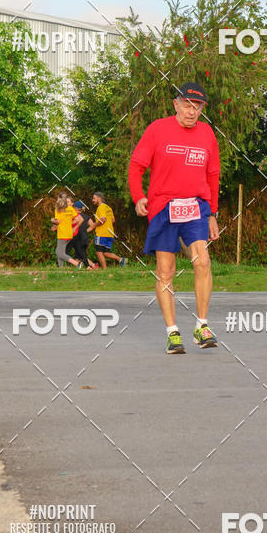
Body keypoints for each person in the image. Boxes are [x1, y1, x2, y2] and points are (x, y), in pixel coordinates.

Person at [128, 82, 220, 354]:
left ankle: (202, 326)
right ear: (176, 104)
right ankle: (172, 333)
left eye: (198, 107)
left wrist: (212, 213)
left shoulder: (207, 134)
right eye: (188, 105)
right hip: (163, 207)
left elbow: (213, 174)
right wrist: (138, 197)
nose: (192, 112)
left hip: (196, 206)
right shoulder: (157, 129)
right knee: (166, 271)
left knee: (202, 261)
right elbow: (136, 166)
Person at [89, 192, 127, 269]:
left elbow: (103, 219)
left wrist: (94, 225)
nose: (92, 200)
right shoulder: (108, 208)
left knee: (99, 252)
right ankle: (120, 259)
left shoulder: (101, 207)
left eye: (94, 198)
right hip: (110, 233)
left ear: (99, 198)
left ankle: (105, 269)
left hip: (102, 233)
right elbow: (113, 220)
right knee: (105, 253)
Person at [51, 192, 83, 268]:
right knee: (59, 251)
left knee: (60, 253)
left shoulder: (58, 209)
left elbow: (58, 221)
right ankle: (61, 268)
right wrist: (68, 224)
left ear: (60, 198)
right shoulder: (70, 208)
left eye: (58, 198)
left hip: (62, 233)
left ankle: (77, 264)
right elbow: (78, 219)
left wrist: (52, 220)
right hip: (69, 233)